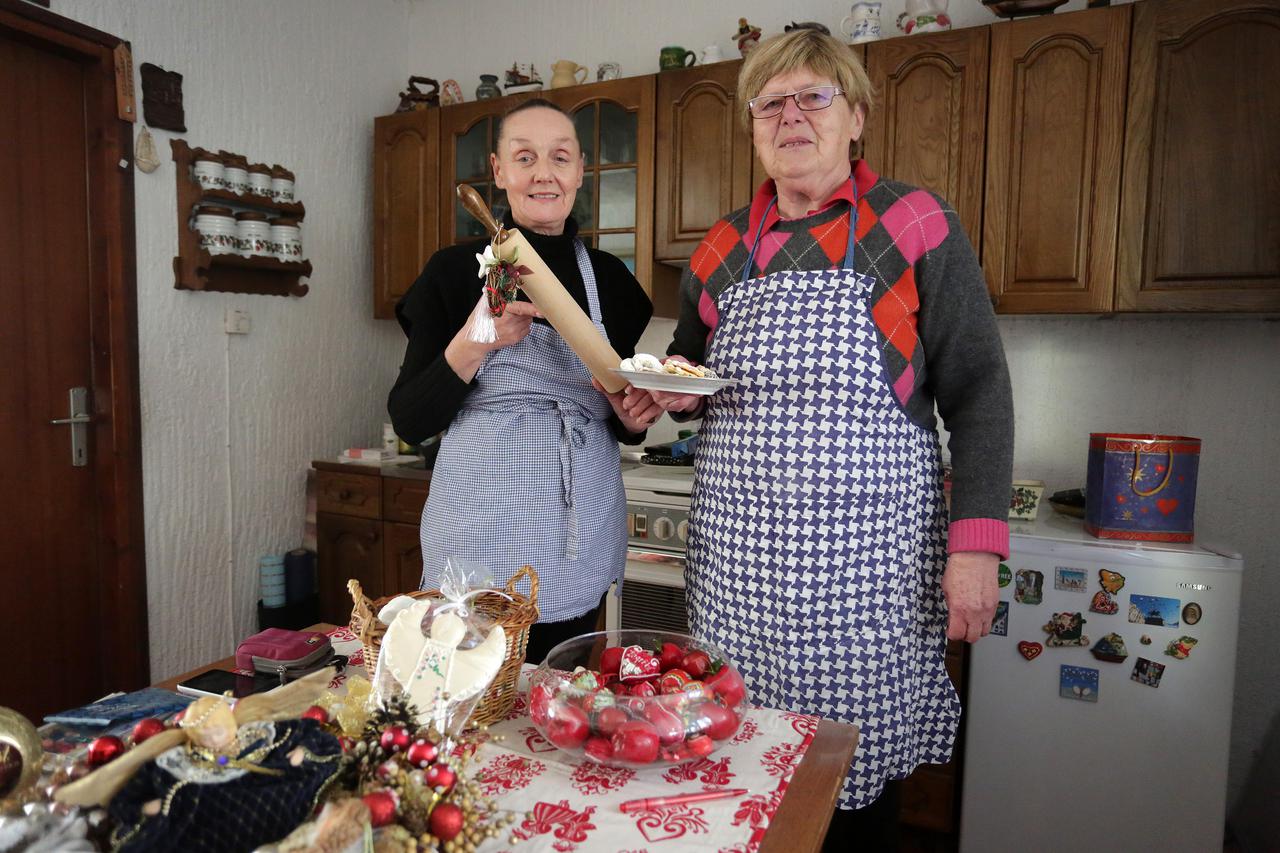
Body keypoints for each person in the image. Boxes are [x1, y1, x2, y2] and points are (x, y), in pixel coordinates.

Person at [649, 29, 1013, 850]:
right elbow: (690, 382)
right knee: (733, 779)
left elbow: (981, 391)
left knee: (847, 790)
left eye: (814, 96)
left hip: (867, 581)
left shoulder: (914, 224)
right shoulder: (719, 248)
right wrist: (658, 395)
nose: (791, 117)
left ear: (855, 117)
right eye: (770, 103)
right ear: (752, 128)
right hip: (739, 578)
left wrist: (976, 546)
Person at [387, 99, 659, 663]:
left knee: (562, 691)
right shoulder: (453, 272)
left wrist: (631, 417)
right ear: (498, 171)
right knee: (473, 692)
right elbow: (411, 419)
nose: (543, 173)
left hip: (580, 515)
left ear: (580, 171)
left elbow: (621, 416)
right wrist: (479, 337)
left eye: (560, 157)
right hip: (480, 513)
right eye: (525, 156)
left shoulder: (612, 281)